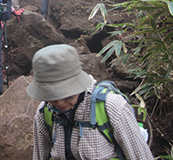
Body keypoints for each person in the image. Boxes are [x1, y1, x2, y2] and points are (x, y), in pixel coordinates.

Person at [26, 44, 155, 160]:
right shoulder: (44, 112)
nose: (59, 103)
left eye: (67, 95)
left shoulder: (112, 107)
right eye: (52, 96)